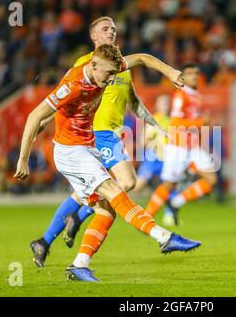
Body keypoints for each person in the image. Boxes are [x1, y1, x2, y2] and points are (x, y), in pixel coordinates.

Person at [14, 44, 201, 282]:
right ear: (93, 65)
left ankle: (78, 265)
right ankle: (164, 237)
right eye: (108, 74)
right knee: (115, 189)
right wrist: (23, 159)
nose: (111, 79)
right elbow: (34, 115)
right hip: (71, 152)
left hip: (88, 146)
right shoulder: (73, 84)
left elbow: (142, 58)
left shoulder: (107, 68)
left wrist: (170, 71)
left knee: (106, 210)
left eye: (115, 73)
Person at [29, 17, 170, 267]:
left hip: (112, 135)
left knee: (88, 193)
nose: (112, 32)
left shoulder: (121, 68)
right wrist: (43, 121)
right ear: (94, 37)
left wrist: (154, 123)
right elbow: (63, 96)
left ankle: (48, 238)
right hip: (95, 133)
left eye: (114, 29)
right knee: (125, 182)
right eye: (105, 29)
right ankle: (79, 219)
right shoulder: (86, 64)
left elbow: (134, 103)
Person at [145, 63, 218, 225]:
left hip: (193, 146)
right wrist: (201, 122)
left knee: (211, 179)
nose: (194, 76)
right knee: (169, 184)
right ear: (183, 77)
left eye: (196, 73)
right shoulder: (181, 95)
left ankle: (176, 203)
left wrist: (202, 123)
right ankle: (146, 216)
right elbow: (175, 122)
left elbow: (192, 121)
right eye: (190, 73)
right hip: (178, 145)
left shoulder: (196, 95)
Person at [133, 94, 171, 192]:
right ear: (157, 105)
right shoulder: (155, 120)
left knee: (169, 186)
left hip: (166, 158)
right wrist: (154, 147)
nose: (166, 106)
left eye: (167, 103)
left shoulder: (169, 120)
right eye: (163, 103)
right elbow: (144, 140)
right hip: (154, 158)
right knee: (139, 184)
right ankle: (117, 197)